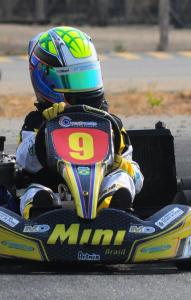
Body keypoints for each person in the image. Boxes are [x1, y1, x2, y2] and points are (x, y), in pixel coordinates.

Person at [17, 26, 143, 219]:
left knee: (122, 179)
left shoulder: (111, 125)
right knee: (34, 191)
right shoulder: (36, 122)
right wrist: (45, 130)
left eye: (87, 78)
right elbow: (26, 161)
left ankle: (115, 209)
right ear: (46, 80)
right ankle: (42, 212)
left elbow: (138, 178)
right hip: (53, 193)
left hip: (99, 194)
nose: (85, 88)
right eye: (74, 80)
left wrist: (120, 163)